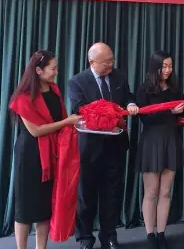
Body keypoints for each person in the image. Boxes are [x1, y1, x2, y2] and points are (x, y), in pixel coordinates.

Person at [68, 43, 139, 249]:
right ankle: (85, 237)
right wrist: (107, 114)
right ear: (92, 62)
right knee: (86, 195)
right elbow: (78, 109)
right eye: (106, 62)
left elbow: (127, 96)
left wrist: (131, 103)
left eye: (112, 60)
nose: (110, 65)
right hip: (90, 147)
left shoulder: (119, 76)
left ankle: (109, 235)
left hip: (115, 145)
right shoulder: (77, 81)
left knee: (112, 194)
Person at [9, 50, 81, 249]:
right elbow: (36, 131)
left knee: (44, 207)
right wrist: (67, 122)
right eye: (53, 69)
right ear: (38, 70)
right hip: (30, 154)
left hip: (51, 153)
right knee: (24, 209)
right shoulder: (23, 98)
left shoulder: (54, 90)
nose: (56, 72)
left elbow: (62, 120)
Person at [135, 50, 184, 249]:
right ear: (155, 67)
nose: (168, 70)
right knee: (151, 192)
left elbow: (178, 116)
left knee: (165, 192)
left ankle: (162, 233)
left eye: (170, 66)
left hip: (171, 139)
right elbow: (144, 118)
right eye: (164, 66)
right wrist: (169, 111)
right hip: (151, 141)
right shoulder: (145, 89)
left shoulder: (174, 88)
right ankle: (150, 234)